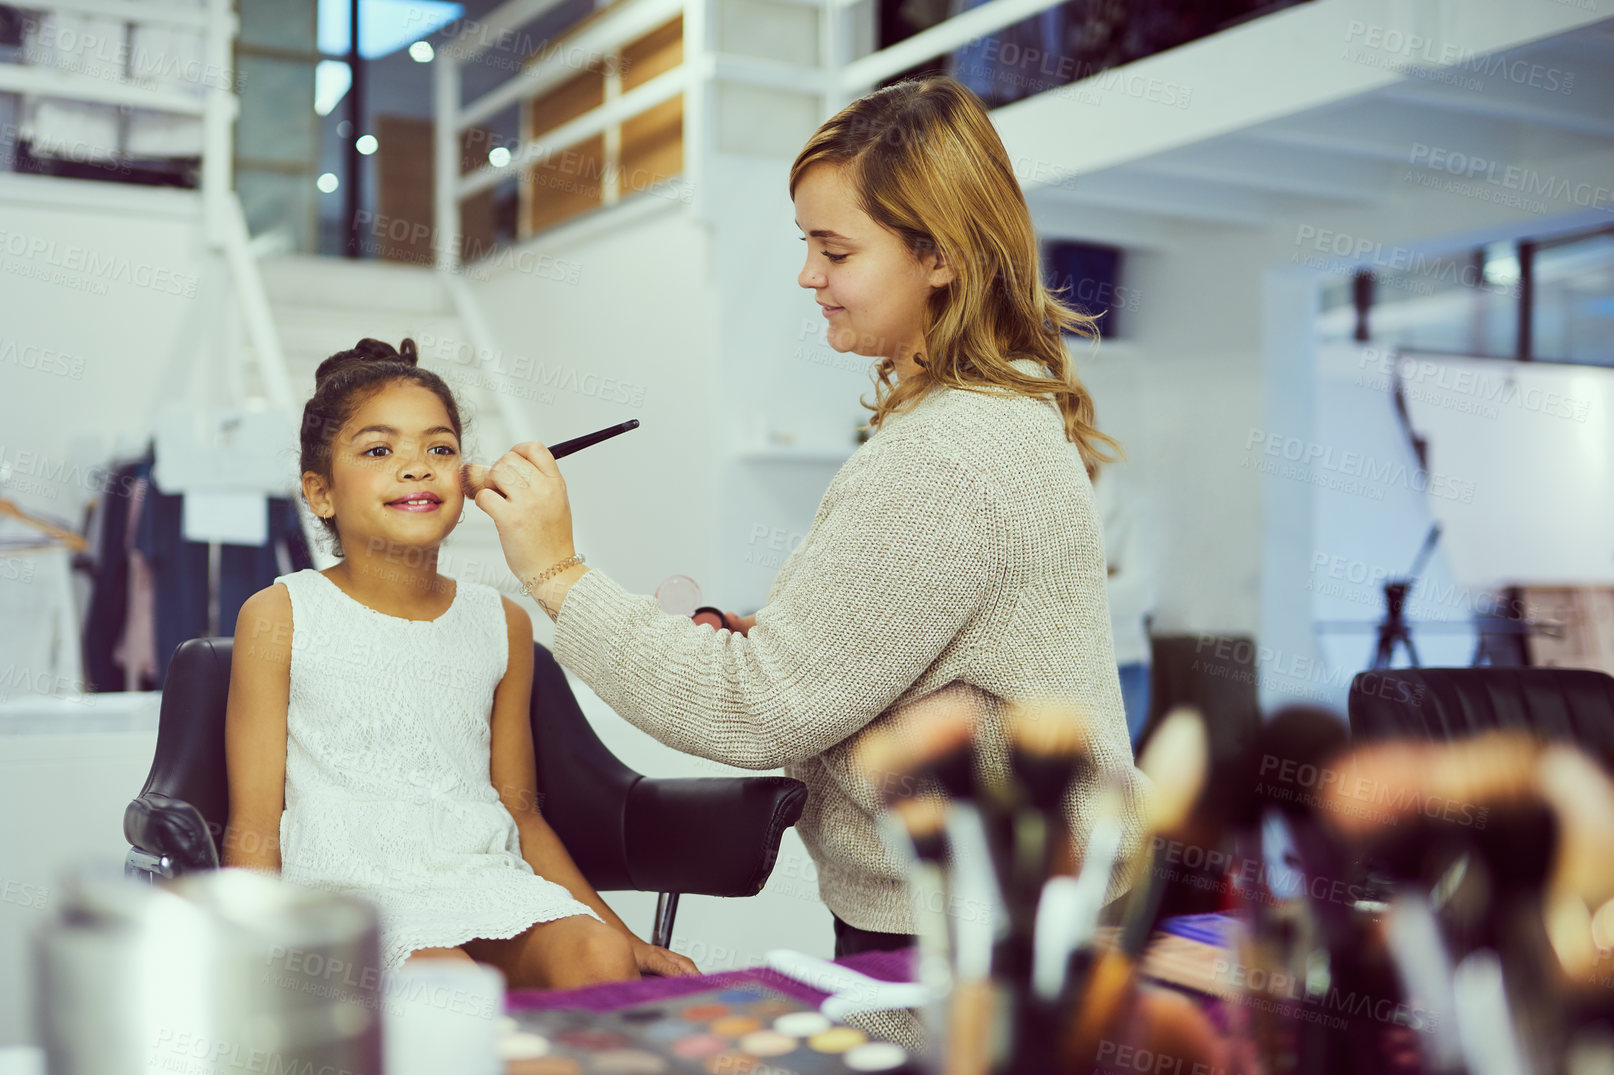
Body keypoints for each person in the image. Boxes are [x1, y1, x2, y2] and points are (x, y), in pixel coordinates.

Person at [468, 78, 1150, 959]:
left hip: (974, 940)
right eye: (806, 245)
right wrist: (793, 637)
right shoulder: (983, 422)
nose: (807, 276)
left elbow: (756, 710)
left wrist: (559, 575)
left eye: (835, 249)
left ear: (939, 254)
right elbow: (884, 662)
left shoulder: (948, 455)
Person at [221, 337, 699, 985]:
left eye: (440, 449)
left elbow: (520, 811)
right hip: (348, 900)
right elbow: (253, 825)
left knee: (600, 959)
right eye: (379, 450)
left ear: (469, 481)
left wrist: (623, 937)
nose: (416, 467)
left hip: (481, 880)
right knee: (450, 987)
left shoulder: (503, 622)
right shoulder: (280, 614)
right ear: (320, 492)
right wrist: (252, 957)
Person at [1091, 462, 1160, 748]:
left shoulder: (1133, 505)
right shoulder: (1039, 500)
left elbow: (1141, 595)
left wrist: (1072, 580)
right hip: (1057, 667)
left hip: (1124, 663)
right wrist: (1104, 572)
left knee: (1114, 773)